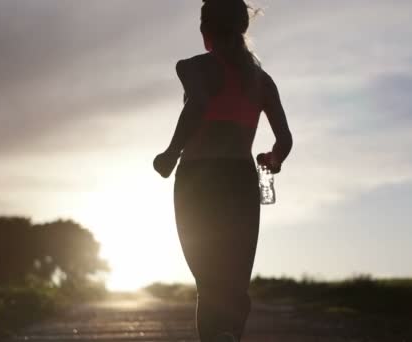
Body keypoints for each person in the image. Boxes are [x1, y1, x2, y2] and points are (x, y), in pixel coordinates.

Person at [153, 0, 292, 341]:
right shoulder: (263, 81)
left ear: (205, 32)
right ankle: (230, 333)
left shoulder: (193, 67)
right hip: (240, 181)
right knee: (234, 283)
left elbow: (199, 103)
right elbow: (284, 140)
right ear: (242, 27)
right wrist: (272, 160)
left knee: (208, 283)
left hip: (199, 179)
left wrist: (170, 153)